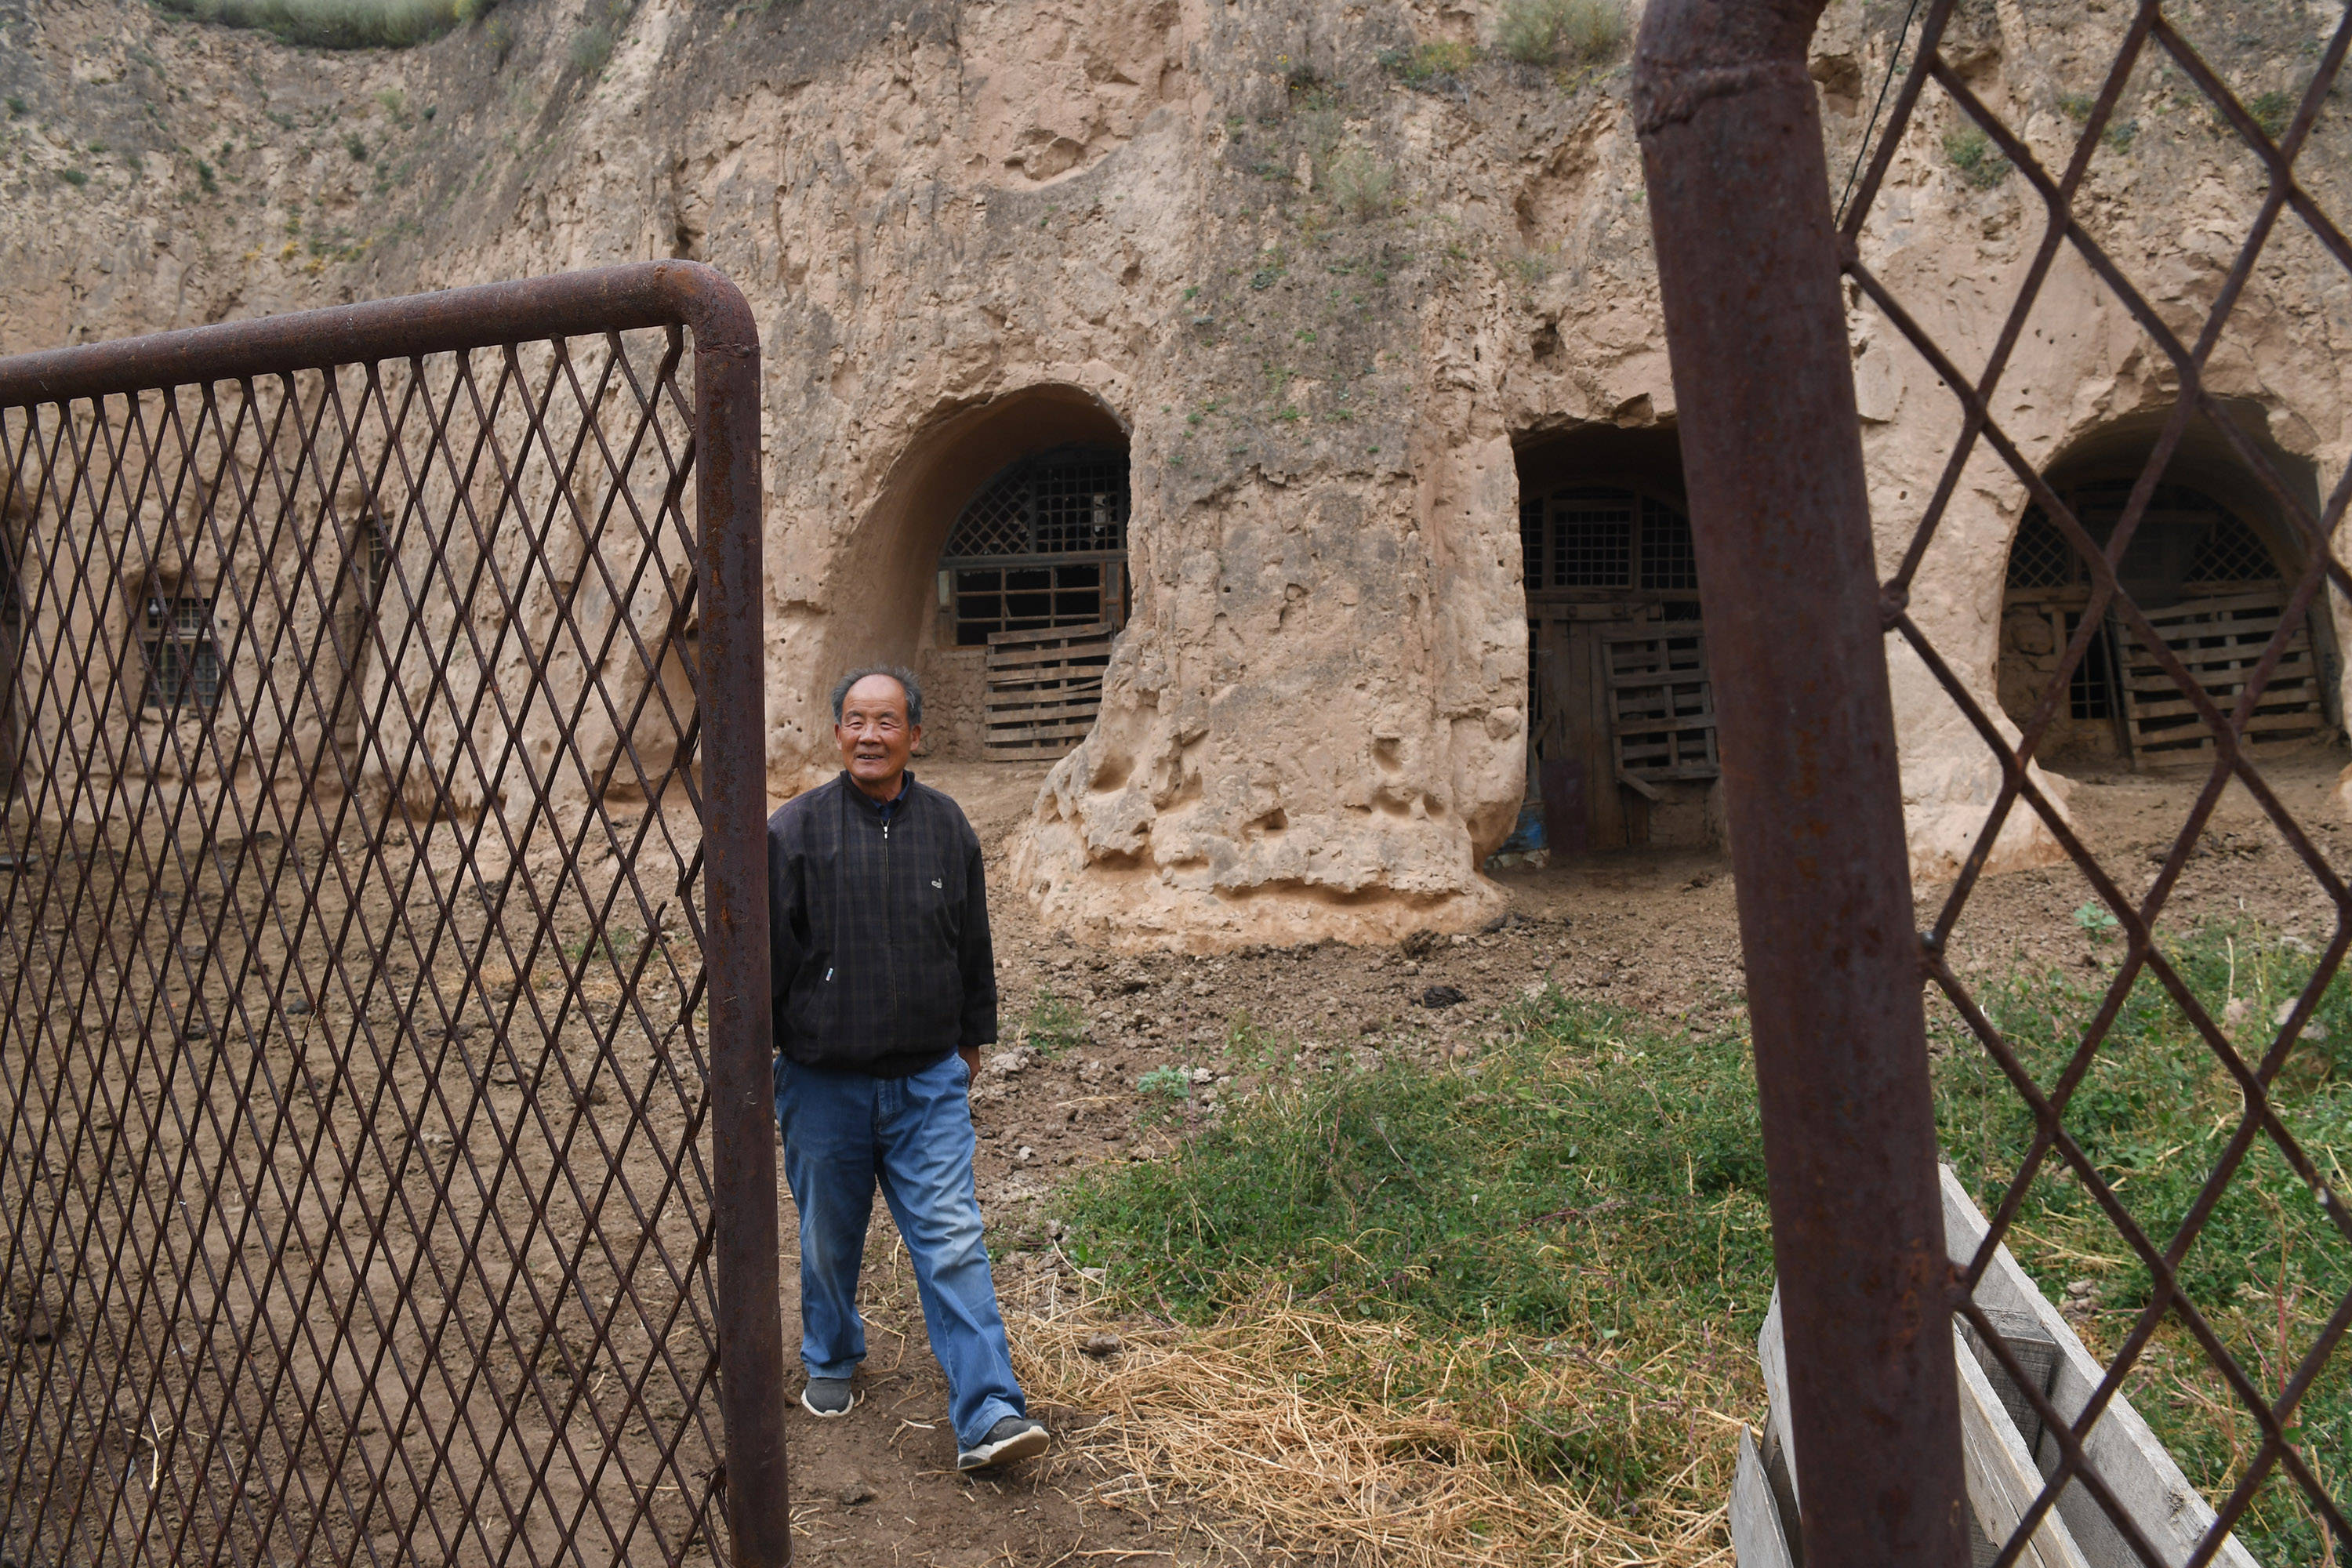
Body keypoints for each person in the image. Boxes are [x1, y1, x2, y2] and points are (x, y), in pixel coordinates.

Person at [765, 665, 1050, 1472]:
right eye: (854, 719)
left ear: (914, 735)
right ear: (835, 734)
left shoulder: (948, 826)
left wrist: (972, 1036)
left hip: (927, 1082)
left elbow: (974, 945)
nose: (869, 734)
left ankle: (990, 1411)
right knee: (827, 1236)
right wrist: (779, 1056)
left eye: (886, 721)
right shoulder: (796, 831)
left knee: (954, 1239)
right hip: (824, 1082)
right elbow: (769, 958)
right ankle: (830, 1353)